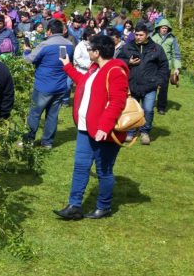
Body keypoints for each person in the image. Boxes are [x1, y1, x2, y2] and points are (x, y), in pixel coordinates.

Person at [54, 36, 129, 220]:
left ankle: (104, 207)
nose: (88, 52)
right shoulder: (95, 69)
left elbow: (117, 102)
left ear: (97, 53)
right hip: (85, 128)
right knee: (80, 167)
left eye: (90, 49)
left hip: (104, 131)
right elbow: (83, 83)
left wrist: (104, 126)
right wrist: (67, 66)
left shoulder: (116, 71)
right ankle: (74, 206)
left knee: (104, 170)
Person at [22, 20, 74, 149]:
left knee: (34, 113)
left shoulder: (45, 44)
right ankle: (47, 142)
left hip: (43, 86)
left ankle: (29, 140)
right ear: (62, 31)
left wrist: (27, 51)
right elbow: (64, 62)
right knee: (52, 115)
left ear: (49, 31)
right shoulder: (68, 45)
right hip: (61, 86)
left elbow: (28, 60)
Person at [116, 23, 169, 144]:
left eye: (141, 35)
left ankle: (145, 132)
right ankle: (130, 131)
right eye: (136, 34)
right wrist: (128, 62)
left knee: (148, 109)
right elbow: (118, 61)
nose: (138, 37)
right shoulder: (127, 47)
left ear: (147, 35)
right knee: (132, 109)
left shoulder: (156, 48)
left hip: (150, 85)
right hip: (132, 84)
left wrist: (159, 81)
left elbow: (164, 66)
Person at [151, 18, 182, 115]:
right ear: (159, 28)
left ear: (168, 29)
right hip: (153, 66)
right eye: (162, 28)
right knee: (151, 86)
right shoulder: (153, 37)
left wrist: (177, 68)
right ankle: (149, 105)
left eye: (166, 28)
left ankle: (161, 107)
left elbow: (176, 54)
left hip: (166, 67)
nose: (164, 29)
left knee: (163, 88)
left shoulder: (172, 39)